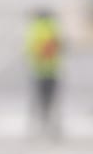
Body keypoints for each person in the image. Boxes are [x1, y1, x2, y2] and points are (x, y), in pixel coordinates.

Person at [27, 8, 65, 138]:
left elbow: (29, 49)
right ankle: (52, 126)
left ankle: (41, 126)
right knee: (52, 100)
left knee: (40, 101)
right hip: (53, 69)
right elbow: (61, 46)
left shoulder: (34, 29)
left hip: (39, 70)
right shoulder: (54, 28)